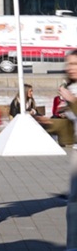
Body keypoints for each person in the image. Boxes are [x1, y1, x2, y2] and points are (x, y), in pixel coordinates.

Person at [59, 50, 77, 249]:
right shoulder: (71, 87)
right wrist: (48, 123)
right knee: (73, 201)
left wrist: (72, 101)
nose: (70, 68)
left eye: (75, 64)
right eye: (69, 64)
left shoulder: (71, 92)